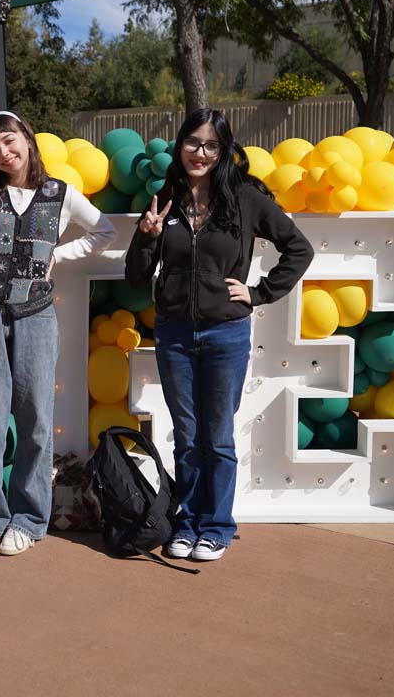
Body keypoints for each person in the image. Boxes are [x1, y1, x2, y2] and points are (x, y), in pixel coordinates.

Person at [124, 108, 312, 562]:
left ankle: (217, 526)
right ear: (180, 144)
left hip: (225, 334)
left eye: (211, 145)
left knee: (217, 436)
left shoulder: (245, 198)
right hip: (173, 334)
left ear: (224, 151)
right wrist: (147, 238)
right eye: (193, 142)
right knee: (186, 436)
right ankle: (186, 522)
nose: (200, 153)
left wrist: (258, 292)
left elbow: (298, 248)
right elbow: (134, 277)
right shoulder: (164, 197)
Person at [0, 111, 115, 557]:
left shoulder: (61, 194)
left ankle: (29, 519)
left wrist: (60, 256)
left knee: (35, 418)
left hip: (35, 313)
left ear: (28, 140)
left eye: (9, 142)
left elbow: (103, 231)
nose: (3, 153)